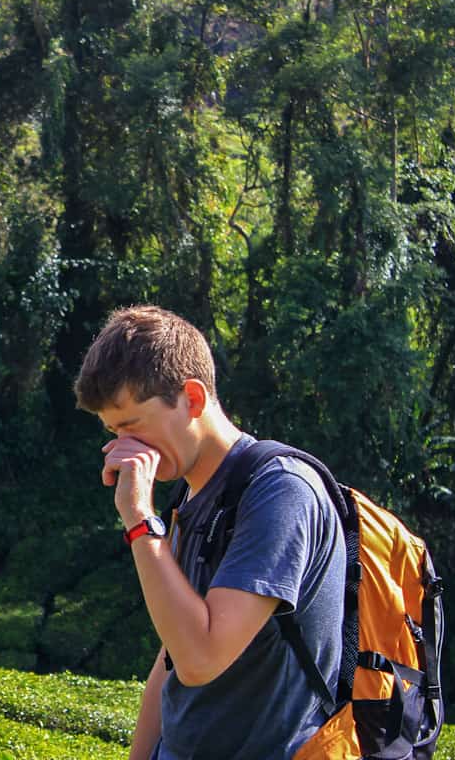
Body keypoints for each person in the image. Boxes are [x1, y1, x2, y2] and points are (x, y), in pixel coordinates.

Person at [73, 305, 346, 760]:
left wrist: (140, 518)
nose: (121, 448)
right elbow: (172, 657)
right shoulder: (191, 499)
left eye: (132, 426)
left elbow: (202, 658)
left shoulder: (281, 491)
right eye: (112, 431)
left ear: (193, 400)